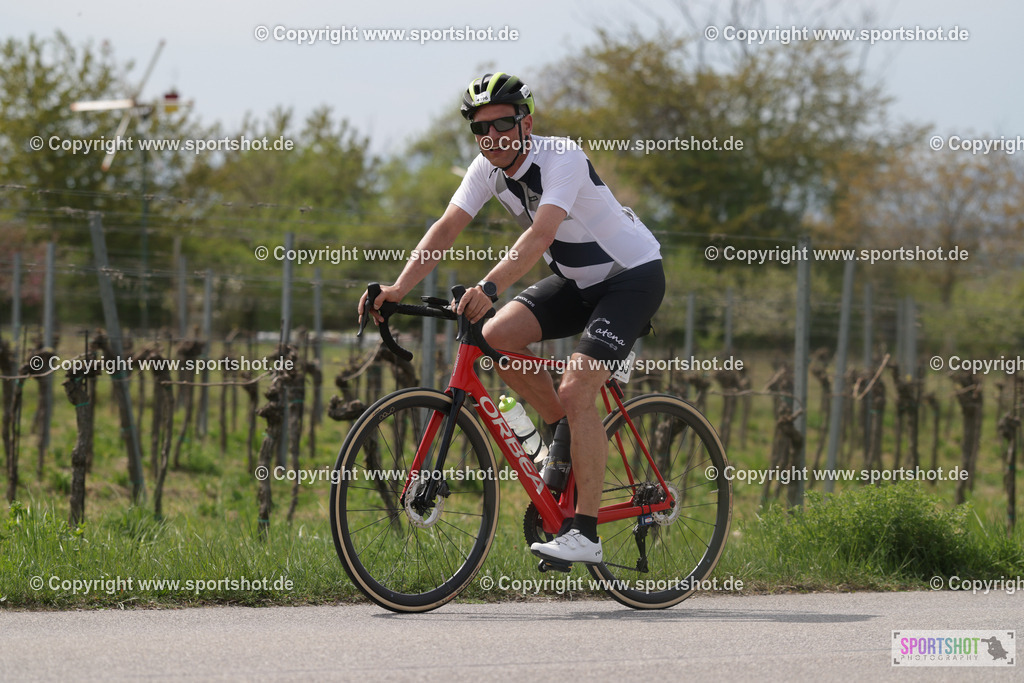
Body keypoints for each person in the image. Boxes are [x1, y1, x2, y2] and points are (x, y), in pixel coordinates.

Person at [359, 72, 664, 564]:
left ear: (526, 121)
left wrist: (489, 286)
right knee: (495, 338)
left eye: (503, 124)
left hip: (631, 277)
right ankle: (567, 439)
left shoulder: (560, 156)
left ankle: (585, 531)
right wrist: (397, 288)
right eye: (481, 130)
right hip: (578, 282)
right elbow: (446, 227)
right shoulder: (485, 168)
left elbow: (542, 234)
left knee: (575, 387)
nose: (493, 138)